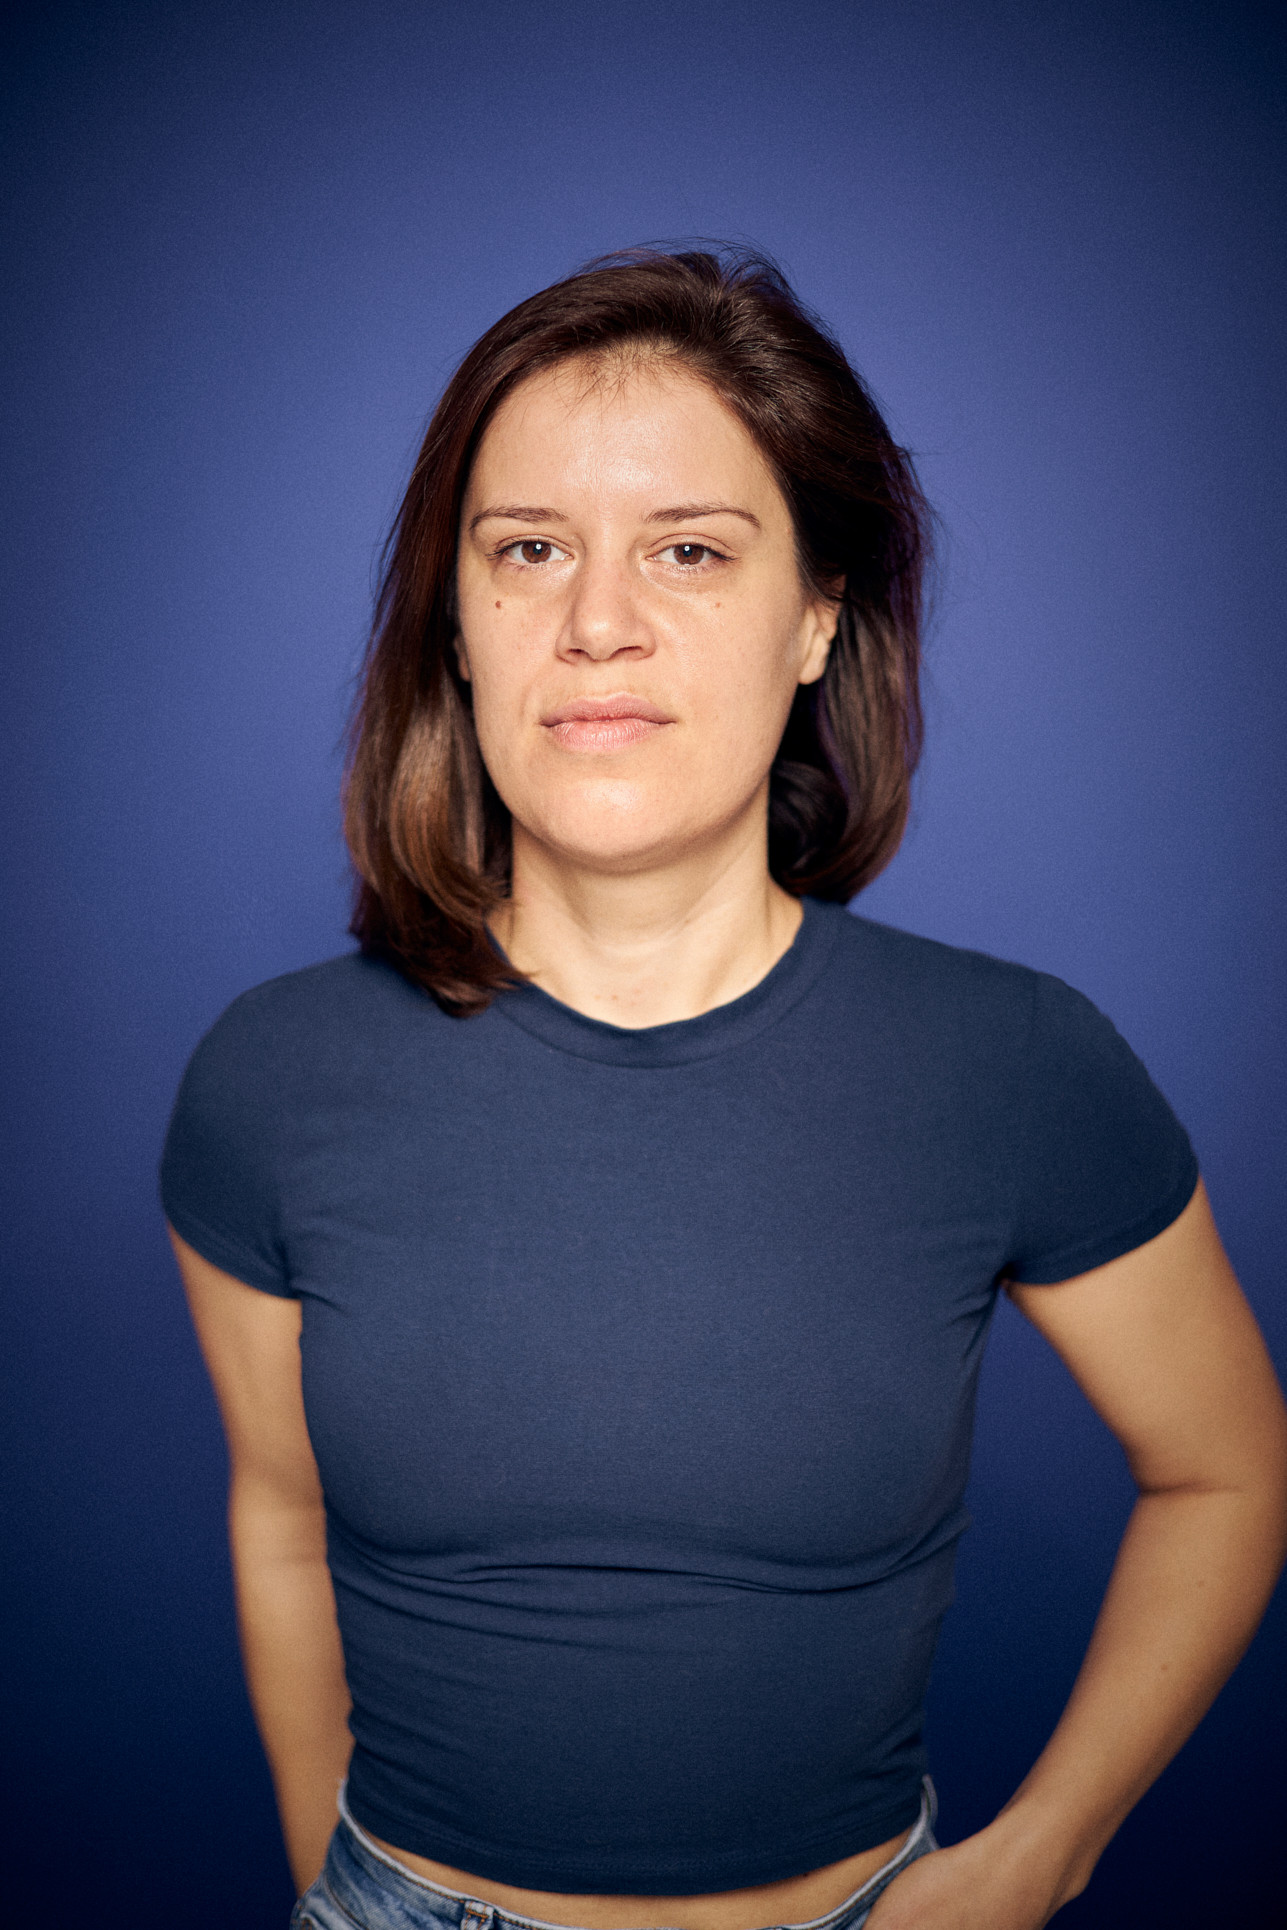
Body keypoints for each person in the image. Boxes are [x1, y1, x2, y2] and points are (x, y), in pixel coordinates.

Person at [161, 249, 1287, 1930]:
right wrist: (337, 1884)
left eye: (688, 549)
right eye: (528, 549)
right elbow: (280, 1512)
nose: (597, 621)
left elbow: (1227, 1469)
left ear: (819, 614)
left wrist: (1040, 1854)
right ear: (455, 626)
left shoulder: (1016, 1064)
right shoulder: (270, 1078)